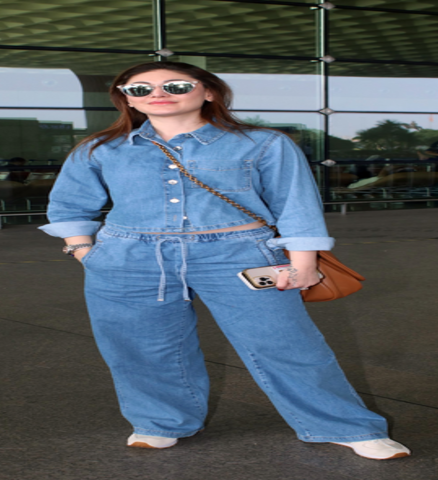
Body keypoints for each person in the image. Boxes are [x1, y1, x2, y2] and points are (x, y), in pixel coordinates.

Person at [39, 62, 411, 461]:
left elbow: (295, 204)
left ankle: (344, 426)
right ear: (126, 99)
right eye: (140, 89)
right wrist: (84, 252)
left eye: (175, 85)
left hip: (239, 252)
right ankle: (161, 422)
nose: (157, 94)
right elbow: (69, 205)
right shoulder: (100, 149)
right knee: (139, 347)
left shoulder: (262, 143)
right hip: (128, 256)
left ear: (209, 91)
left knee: (284, 342)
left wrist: (303, 261)